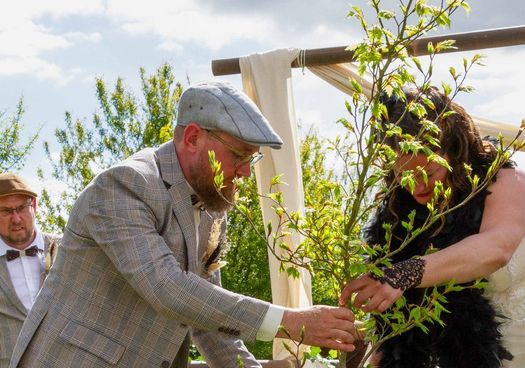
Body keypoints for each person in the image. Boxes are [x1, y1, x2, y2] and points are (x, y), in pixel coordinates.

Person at [10, 80, 356, 368]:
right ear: (192, 138)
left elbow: (209, 321)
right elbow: (168, 289)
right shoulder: (124, 185)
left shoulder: (211, 204)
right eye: (238, 155)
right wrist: (290, 322)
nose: (246, 172)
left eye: (252, 159)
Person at [339, 86, 525, 368]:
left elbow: (496, 248)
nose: (418, 186)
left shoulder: (505, 180)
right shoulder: (400, 212)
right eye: (405, 175)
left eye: (429, 173)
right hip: (465, 353)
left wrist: (406, 272)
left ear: (453, 152)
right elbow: (398, 324)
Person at [0, 173, 58, 368]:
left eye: (21, 208)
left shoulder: (68, 249)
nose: (16, 218)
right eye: (6, 211)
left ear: (34, 206)